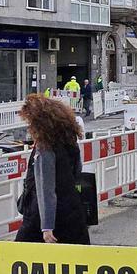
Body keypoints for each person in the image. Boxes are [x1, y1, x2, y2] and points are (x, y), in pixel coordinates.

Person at [15, 93, 90, 245]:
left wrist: (47, 227)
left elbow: (46, 189)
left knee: (21, 259)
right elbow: (77, 170)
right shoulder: (69, 140)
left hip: (43, 218)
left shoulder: (45, 147)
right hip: (72, 212)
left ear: (39, 123)